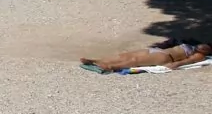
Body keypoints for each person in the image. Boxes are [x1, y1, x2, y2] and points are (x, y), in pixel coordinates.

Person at [80, 41, 209, 73]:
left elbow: (188, 61)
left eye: (207, 47)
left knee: (135, 61)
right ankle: (96, 60)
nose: (204, 45)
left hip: (166, 57)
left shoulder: (200, 55)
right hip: (158, 50)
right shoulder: (192, 45)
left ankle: (111, 67)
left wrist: (174, 65)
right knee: (125, 55)